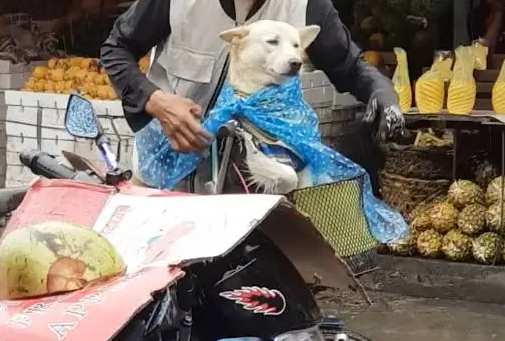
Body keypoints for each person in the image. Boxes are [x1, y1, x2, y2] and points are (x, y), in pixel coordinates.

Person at [100, 0, 405, 187]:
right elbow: (116, 49)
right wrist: (156, 101)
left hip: (253, 184)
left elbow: (351, 68)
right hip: (165, 171)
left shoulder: (304, 5)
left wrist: (382, 92)